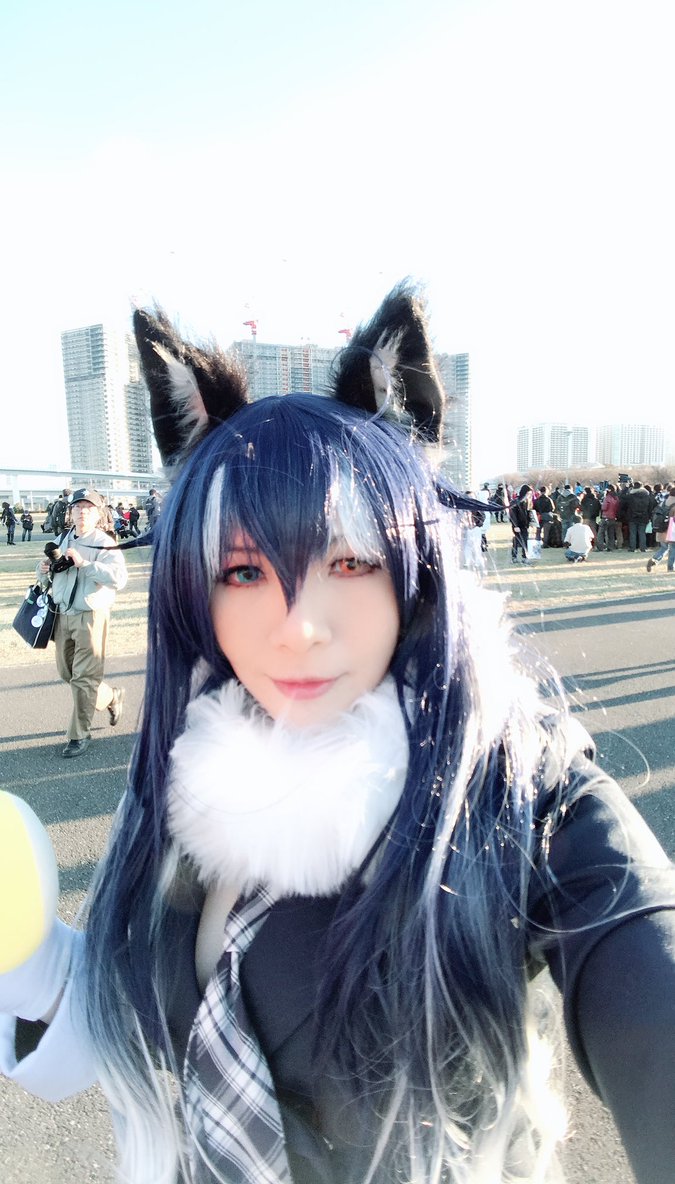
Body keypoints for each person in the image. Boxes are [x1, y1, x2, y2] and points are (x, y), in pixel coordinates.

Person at [1, 285, 674, 1184]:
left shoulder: (510, 781)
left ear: (414, 564)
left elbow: (642, 962)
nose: (298, 628)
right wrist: (37, 964)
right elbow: (138, 1027)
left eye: (351, 560)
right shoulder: (187, 764)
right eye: (244, 571)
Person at [36, 487, 128, 758]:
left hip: (91, 615)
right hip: (62, 614)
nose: (82, 512)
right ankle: (110, 696)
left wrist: (85, 564)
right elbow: (49, 577)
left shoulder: (104, 542)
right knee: (67, 673)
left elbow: (119, 579)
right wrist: (43, 570)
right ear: (71, 512)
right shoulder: (62, 538)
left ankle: (79, 734)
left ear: (98, 513)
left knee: (84, 678)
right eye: (77, 507)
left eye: (88, 508)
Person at [646, 485, 675, 573]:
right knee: (673, 549)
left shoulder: (663, 502)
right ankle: (670, 567)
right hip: (672, 529)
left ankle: (654, 560)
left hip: (661, 528)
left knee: (664, 548)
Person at [595, 483, 621, 551]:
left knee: (601, 533)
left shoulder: (607, 497)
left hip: (606, 517)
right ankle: (610, 547)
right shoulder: (616, 498)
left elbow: (604, 508)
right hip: (613, 517)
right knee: (611, 533)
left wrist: (601, 504)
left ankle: (600, 547)